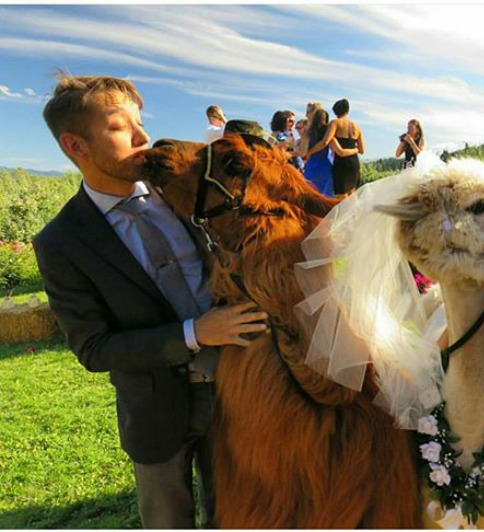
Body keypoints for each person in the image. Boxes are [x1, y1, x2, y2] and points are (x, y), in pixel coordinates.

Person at [33, 74, 268, 528]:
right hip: (157, 415)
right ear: (75, 146)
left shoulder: (183, 191)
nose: (144, 137)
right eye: (121, 128)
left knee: (241, 515)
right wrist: (195, 333)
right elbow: (94, 348)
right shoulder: (61, 242)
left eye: (141, 122)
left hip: (239, 392)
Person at [306, 98, 364, 195]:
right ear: (348, 110)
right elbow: (361, 150)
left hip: (341, 163)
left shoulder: (335, 123)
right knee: (352, 195)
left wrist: (311, 151)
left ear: (335, 112)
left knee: (341, 198)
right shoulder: (357, 126)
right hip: (354, 163)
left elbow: (325, 142)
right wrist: (355, 150)